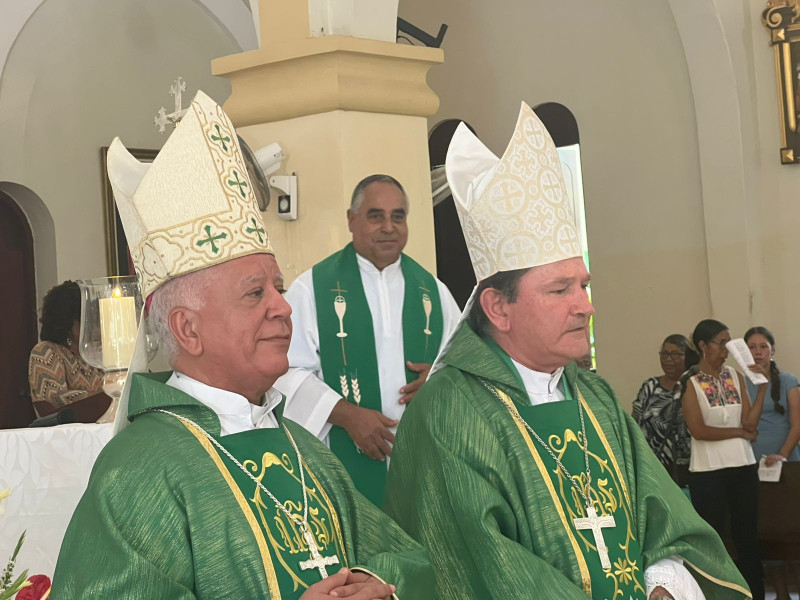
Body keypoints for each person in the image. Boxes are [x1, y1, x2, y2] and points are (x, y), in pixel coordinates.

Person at [51, 91, 434, 599]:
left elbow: (408, 556)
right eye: (256, 293)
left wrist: (378, 584)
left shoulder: (304, 451)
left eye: (278, 286)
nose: (284, 307)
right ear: (188, 330)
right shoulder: (139, 472)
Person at [384, 103, 751, 600]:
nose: (585, 306)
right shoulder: (448, 411)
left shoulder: (595, 398)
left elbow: (665, 517)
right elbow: (478, 562)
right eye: (560, 291)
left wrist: (664, 584)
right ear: (497, 307)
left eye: (583, 285)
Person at [275, 174, 460, 505]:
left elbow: (461, 364)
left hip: (424, 460)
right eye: (376, 216)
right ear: (351, 220)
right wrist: (346, 414)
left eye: (398, 216)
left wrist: (437, 380)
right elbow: (283, 371)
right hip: (343, 460)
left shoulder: (433, 292)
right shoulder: (312, 289)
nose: (389, 227)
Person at [681, 319, 767, 600]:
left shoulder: (735, 376)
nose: (726, 349)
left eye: (729, 342)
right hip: (708, 472)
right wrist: (739, 432)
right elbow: (699, 430)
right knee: (713, 539)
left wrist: (762, 386)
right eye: (721, 342)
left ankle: (754, 594)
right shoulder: (691, 383)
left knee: (747, 538)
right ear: (703, 346)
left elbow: (750, 424)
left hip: (743, 465)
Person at [27, 281, 109, 419]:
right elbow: (54, 399)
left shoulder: (94, 352)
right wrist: (110, 395)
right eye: (86, 318)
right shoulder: (45, 352)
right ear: (68, 322)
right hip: (66, 436)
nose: (94, 324)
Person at [632, 334, 692, 482]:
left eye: (675, 354)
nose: (668, 359)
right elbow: (634, 423)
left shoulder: (694, 388)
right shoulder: (650, 387)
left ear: (688, 357)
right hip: (654, 469)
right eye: (664, 354)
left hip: (689, 471)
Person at [744, 326, 800, 464]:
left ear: (772, 350)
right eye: (751, 347)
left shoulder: (788, 381)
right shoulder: (739, 382)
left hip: (784, 459)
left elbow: (797, 425)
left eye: (763, 346)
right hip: (749, 458)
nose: (758, 352)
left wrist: (782, 454)